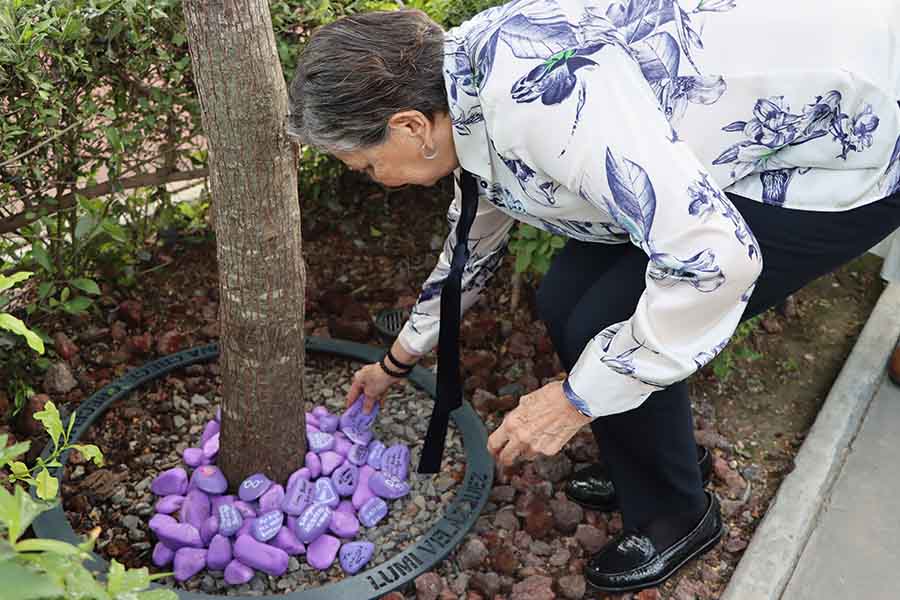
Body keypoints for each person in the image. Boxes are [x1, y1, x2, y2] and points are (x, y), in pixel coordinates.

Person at [287, 0, 900, 591]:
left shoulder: (544, 107)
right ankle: (643, 459)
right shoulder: (457, 88)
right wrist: (397, 361)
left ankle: (677, 518)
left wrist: (575, 403)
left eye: (367, 166)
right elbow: (469, 247)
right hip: (692, 152)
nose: (377, 180)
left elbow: (714, 262)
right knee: (564, 300)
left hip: (838, 146)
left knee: (613, 317)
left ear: (410, 126)